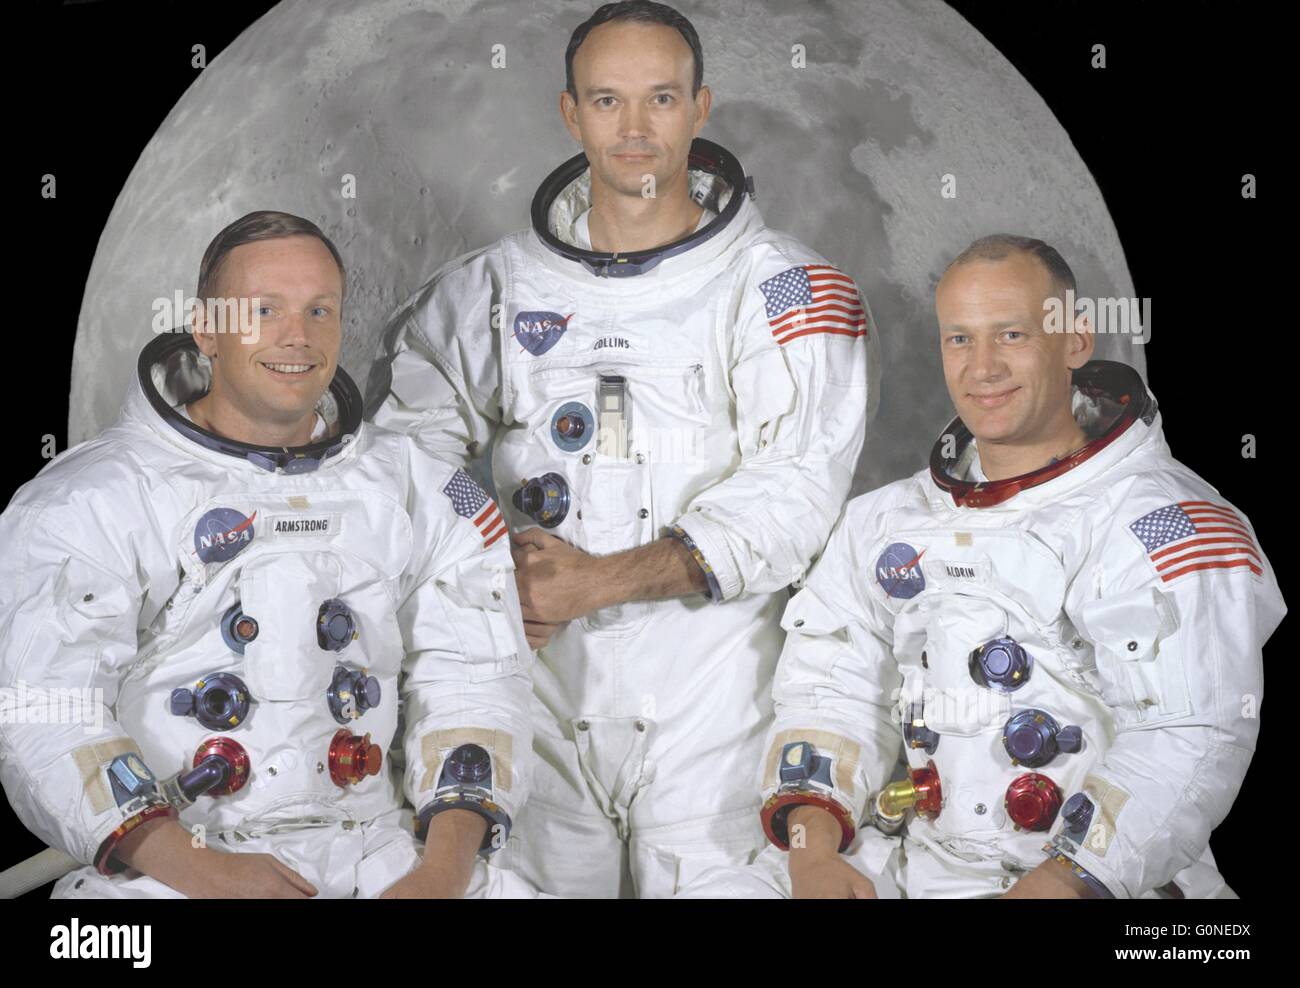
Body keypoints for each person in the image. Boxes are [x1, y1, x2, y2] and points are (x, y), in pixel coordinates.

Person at [367, 1, 876, 897]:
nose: (635, 129)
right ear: (571, 113)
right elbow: (410, 465)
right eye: (607, 101)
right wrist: (495, 565)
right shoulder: (488, 288)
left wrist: (594, 581)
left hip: (713, 696)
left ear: (700, 107)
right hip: (538, 686)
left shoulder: (786, 289)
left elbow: (793, 497)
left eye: (661, 100)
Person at [677, 234, 1285, 899]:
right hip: (919, 861)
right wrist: (814, 850)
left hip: (1097, 879)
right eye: (959, 339)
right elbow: (830, 685)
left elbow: (1189, 738)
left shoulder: (1167, 524)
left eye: (1012, 335)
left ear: (1077, 341)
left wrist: (1061, 880)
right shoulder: (885, 523)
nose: (982, 368)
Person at [0, 211, 535, 898]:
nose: (297, 336)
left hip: (381, 852)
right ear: (205, 329)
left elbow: (477, 678)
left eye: (320, 310)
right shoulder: (90, 498)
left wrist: (441, 871)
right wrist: (207, 873)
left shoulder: (421, 486)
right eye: (263, 309)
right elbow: (46, 711)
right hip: (176, 861)